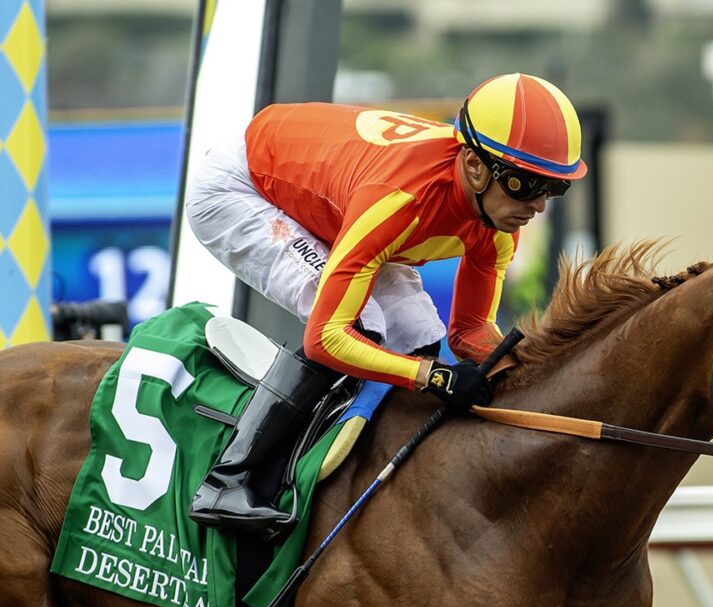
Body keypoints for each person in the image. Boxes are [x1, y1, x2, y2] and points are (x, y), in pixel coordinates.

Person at [185, 72, 588, 535]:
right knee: (364, 325)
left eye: (553, 189)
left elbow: (470, 333)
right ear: (475, 166)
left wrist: (538, 373)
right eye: (524, 184)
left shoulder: (497, 225)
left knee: (421, 335)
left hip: (336, 195)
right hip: (241, 188)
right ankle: (229, 479)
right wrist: (432, 376)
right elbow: (324, 339)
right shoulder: (401, 200)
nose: (536, 206)